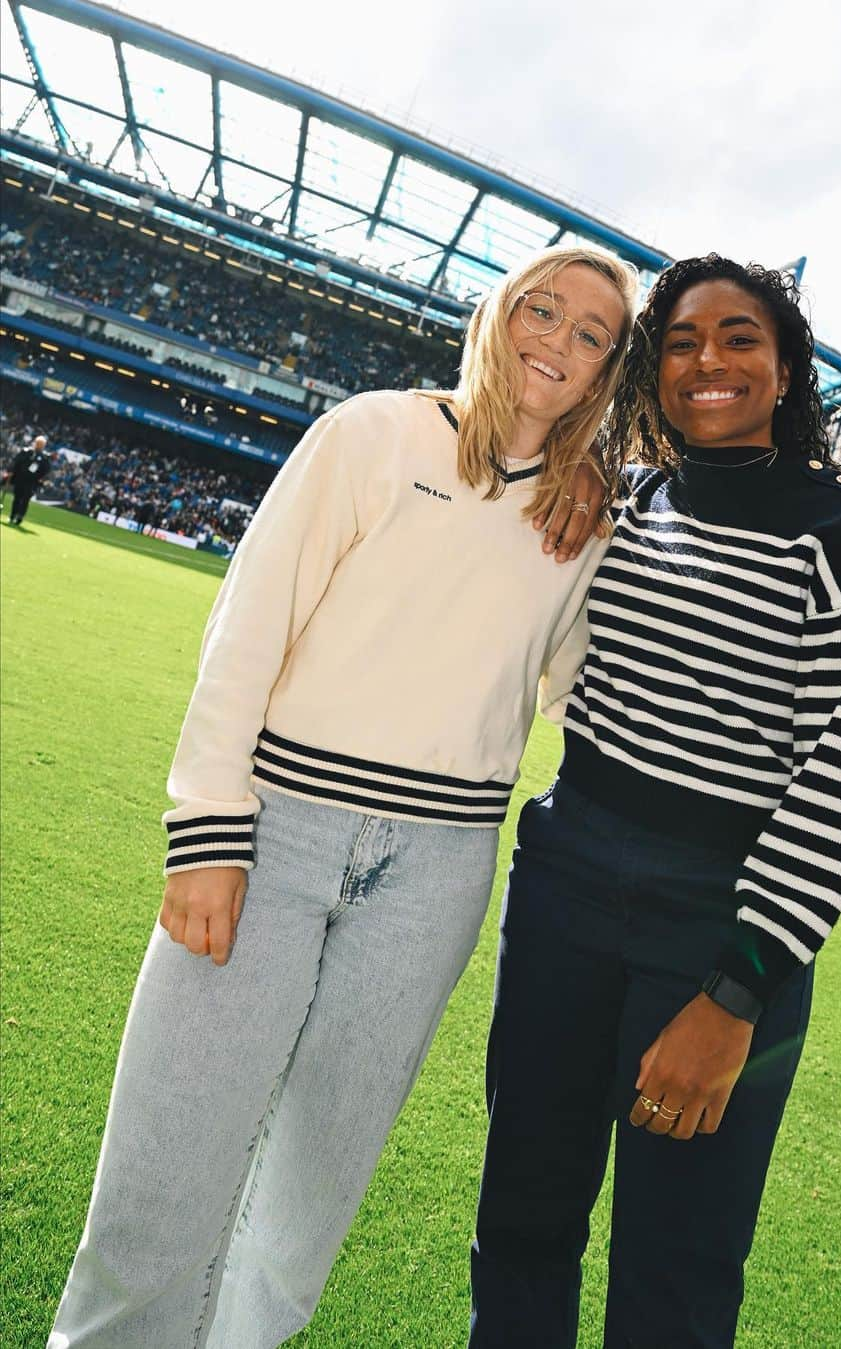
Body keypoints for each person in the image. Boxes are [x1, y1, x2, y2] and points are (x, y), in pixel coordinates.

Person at [49, 243, 638, 1349]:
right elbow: (247, 627)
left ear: (606, 370)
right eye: (542, 310)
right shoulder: (373, 432)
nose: (556, 340)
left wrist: (618, 532)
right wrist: (208, 830)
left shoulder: (584, 520)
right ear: (499, 314)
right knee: (164, 1164)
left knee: (312, 1192)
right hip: (277, 831)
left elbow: (573, 684)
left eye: (591, 333)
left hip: (439, 869)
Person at [469, 255, 841, 1348]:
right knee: (522, 1213)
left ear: (785, 367)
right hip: (566, 877)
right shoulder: (621, 496)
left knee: (676, 1262)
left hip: (719, 919)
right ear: (651, 369)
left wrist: (739, 989)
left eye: (739, 337)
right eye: (679, 340)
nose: (707, 359)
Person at [5, 432, 51, 524]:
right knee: (17, 498)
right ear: (35, 443)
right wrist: (10, 472)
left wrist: (42, 479)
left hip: (31, 482)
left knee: (25, 500)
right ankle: (12, 515)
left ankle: (20, 517)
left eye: (41, 444)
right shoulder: (26, 452)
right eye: (38, 443)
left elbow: (46, 471)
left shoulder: (44, 458)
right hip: (20, 479)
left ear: (44, 446)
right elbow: (16, 462)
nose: (39, 446)